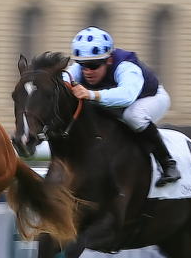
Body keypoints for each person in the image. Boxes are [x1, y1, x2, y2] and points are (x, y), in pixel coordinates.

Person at [67, 26, 180, 187]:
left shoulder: (126, 66)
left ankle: (168, 163)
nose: (88, 71)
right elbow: (62, 79)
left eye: (93, 65)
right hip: (118, 102)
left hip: (151, 98)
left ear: (109, 60)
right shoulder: (82, 67)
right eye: (83, 65)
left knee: (133, 116)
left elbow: (127, 96)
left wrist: (91, 94)